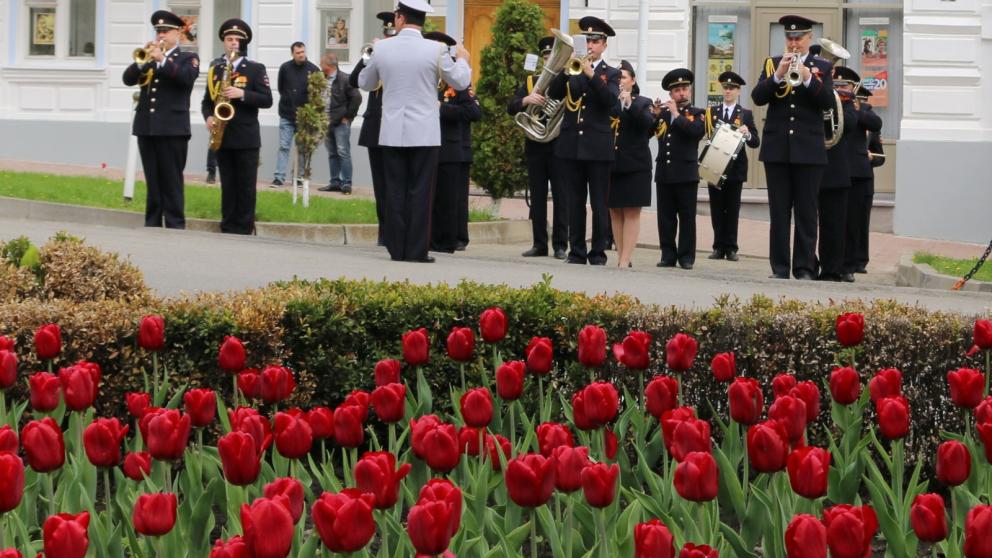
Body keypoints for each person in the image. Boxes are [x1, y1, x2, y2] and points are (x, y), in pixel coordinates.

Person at [356, 0, 471, 263]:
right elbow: (461, 81)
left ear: (398, 18)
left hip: (392, 130)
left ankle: (396, 248)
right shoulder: (436, 49)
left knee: (394, 190)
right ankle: (417, 250)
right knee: (421, 192)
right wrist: (463, 60)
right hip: (425, 132)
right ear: (423, 22)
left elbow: (365, 82)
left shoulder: (383, 48)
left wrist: (377, 59)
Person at [751, 15, 835, 280]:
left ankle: (804, 266)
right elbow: (757, 97)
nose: (794, 42)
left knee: (807, 212)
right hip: (777, 148)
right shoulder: (772, 64)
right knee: (778, 212)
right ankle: (779, 267)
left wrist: (809, 77)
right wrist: (777, 75)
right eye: (790, 37)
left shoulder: (822, 66)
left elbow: (827, 103)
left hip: (809, 150)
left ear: (809, 38)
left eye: (799, 38)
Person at [547, 16, 620, 266]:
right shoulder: (573, 67)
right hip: (571, 145)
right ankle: (576, 251)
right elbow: (554, 94)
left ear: (604, 45)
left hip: (598, 147)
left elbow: (611, 102)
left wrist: (591, 75)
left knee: (599, 203)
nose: (590, 45)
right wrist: (563, 71)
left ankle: (598, 252)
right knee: (574, 202)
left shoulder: (611, 73)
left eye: (595, 41)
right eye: (586, 40)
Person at [122, 10, 199, 229]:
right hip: (147, 128)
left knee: (172, 181)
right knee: (153, 181)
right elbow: (127, 79)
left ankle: (175, 225)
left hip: (173, 130)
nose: (161, 35)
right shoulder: (150, 57)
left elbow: (185, 79)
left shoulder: (188, 58)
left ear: (178, 33)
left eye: (165, 31)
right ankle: (152, 224)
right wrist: (141, 61)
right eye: (158, 31)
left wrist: (162, 59)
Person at [201, 18, 273, 235]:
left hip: (246, 137)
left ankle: (244, 228)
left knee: (245, 186)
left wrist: (242, 94)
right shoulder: (215, 69)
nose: (233, 43)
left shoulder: (255, 68)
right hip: (223, 135)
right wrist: (208, 117)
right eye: (229, 39)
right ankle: (228, 225)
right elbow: (207, 101)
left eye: (237, 40)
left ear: (244, 43)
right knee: (228, 184)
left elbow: (267, 99)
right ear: (224, 41)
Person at [507, 36, 568, 260]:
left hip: (559, 145)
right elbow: (511, 107)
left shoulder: (567, 78)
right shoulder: (532, 81)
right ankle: (539, 244)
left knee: (562, 196)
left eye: (552, 55)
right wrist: (526, 100)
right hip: (535, 145)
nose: (548, 59)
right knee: (538, 197)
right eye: (545, 56)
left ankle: (561, 245)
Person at [425, 31, 481, 253]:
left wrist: (442, 109)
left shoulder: (457, 81)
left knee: (452, 199)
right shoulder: (429, 78)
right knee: (434, 197)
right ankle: (434, 236)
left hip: (454, 148)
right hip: (431, 144)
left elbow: (474, 111)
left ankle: (452, 238)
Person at [349, 12, 397, 246]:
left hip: (396, 126)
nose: (387, 38)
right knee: (380, 185)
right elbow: (353, 80)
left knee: (395, 183)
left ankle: (396, 230)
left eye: (392, 35)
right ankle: (384, 232)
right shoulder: (375, 56)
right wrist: (370, 57)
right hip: (375, 126)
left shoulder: (400, 56)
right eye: (386, 35)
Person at [652, 68, 705, 270]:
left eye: (684, 89)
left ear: (689, 91)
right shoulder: (662, 115)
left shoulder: (698, 113)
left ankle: (686, 256)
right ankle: (667, 254)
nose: (681, 93)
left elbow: (695, 133)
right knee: (665, 218)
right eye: (677, 91)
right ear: (670, 94)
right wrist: (656, 117)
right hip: (665, 173)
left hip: (686, 174)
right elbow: (648, 132)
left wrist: (675, 113)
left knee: (687, 218)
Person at [704, 71, 760, 261]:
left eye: (732, 88)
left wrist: (747, 133)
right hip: (715, 164)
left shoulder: (745, 114)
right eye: (726, 88)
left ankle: (731, 247)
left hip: (735, 168)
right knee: (716, 207)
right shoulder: (712, 112)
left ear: (738, 91)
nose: (728, 91)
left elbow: (755, 142)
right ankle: (718, 246)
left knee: (732, 207)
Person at [608, 60, 654, 269]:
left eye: (624, 77)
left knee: (632, 211)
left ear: (633, 80)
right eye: (617, 77)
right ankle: (620, 255)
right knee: (615, 210)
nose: (620, 81)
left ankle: (625, 259)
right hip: (612, 164)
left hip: (636, 165)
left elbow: (647, 124)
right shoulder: (609, 101)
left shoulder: (643, 102)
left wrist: (629, 104)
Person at [816, 65, 859, 282]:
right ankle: (808, 265)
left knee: (834, 224)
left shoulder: (846, 102)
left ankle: (832, 269)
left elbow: (851, 124)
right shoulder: (812, 95)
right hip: (810, 167)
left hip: (835, 172)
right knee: (806, 224)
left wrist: (835, 102)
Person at [843, 82, 883, 278]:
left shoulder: (869, 117)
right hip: (842, 171)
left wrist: (871, 157)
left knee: (859, 221)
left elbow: (879, 153)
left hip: (863, 176)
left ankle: (858, 260)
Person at [272, 42, 320, 187]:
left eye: (303, 52)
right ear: (292, 53)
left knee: (302, 148)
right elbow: (281, 88)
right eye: (298, 52)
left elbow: (317, 93)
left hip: (304, 117)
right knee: (284, 146)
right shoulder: (285, 68)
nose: (301, 55)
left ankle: (299, 177)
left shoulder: (313, 69)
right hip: (287, 114)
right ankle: (279, 177)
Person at [317, 52, 362, 194]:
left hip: (340, 122)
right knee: (332, 153)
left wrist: (348, 116)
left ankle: (346, 183)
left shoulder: (345, 79)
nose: (319, 65)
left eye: (321, 63)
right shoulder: (320, 79)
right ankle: (334, 182)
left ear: (328, 65)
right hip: (325, 121)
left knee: (343, 152)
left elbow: (357, 98)